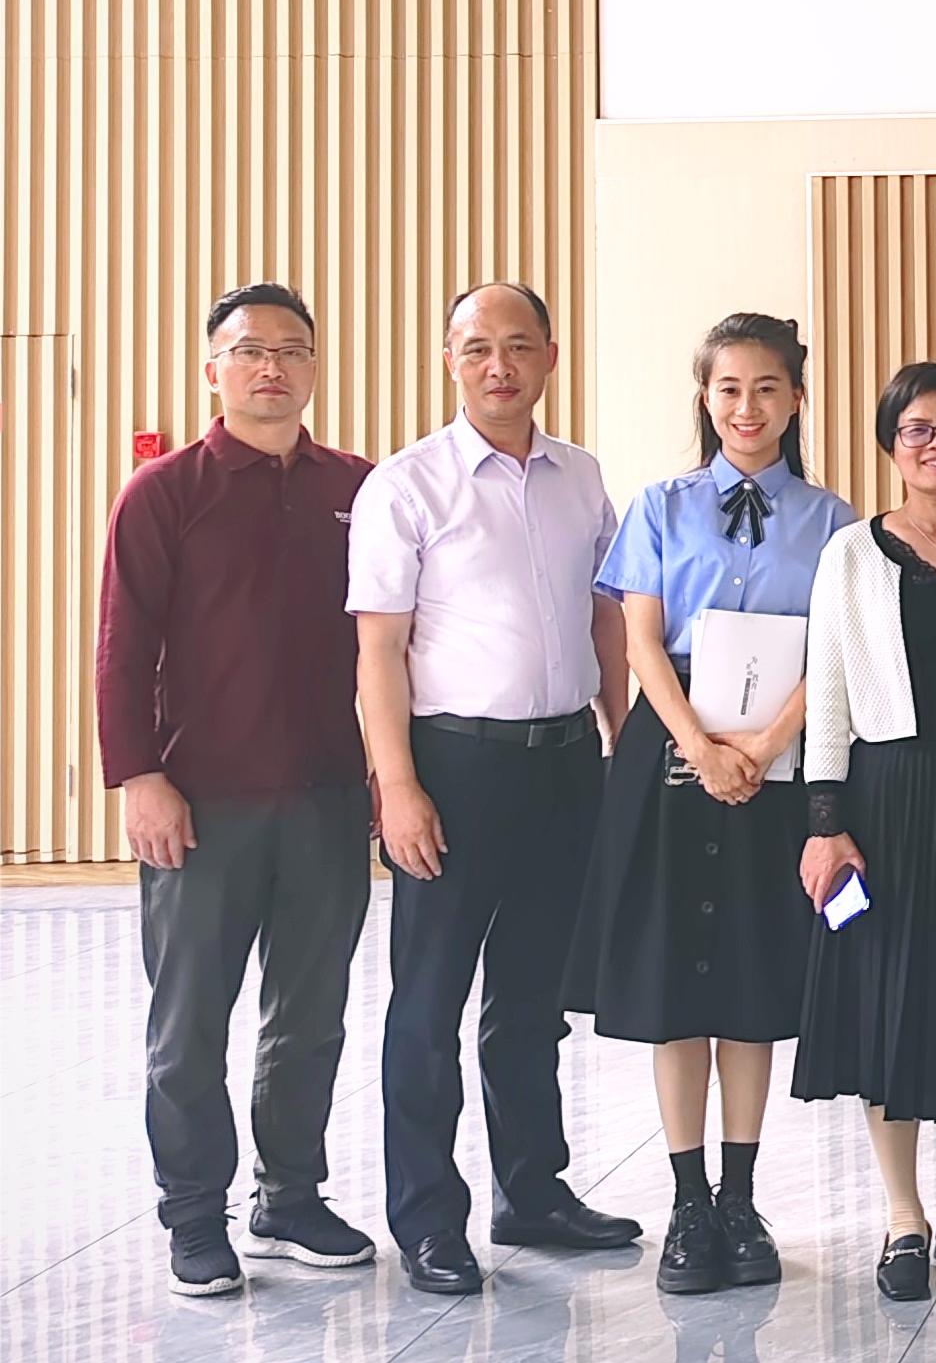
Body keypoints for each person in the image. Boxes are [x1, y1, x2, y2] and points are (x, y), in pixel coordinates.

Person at [349, 282, 638, 1296]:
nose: (499, 365)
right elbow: (378, 651)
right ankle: (429, 1216)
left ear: (551, 355)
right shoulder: (407, 485)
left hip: (563, 762)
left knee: (531, 999)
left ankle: (533, 1191)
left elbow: (605, 613)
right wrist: (396, 784)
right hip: (453, 767)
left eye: (519, 345)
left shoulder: (580, 476)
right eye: (478, 347)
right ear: (449, 359)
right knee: (428, 1001)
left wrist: (619, 735)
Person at [95, 283, 377, 1296]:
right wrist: (140, 775)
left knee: (311, 1015)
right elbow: (123, 646)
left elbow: (392, 643)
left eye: (291, 349)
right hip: (200, 802)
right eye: (250, 349)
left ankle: (288, 1197)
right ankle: (191, 1215)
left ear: (314, 367)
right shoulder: (164, 490)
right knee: (188, 1027)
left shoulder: (359, 487)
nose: (271, 367)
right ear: (212, 367)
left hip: (327, 798)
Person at [562, 313, 852, 1294]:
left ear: (797, 398)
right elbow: (641, 639)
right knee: (674, 979)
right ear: (705, 396)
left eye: (767, 387)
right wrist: (698, 745)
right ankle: (687, 1201)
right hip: (673, 747)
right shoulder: (661, 504)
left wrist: (763, 749)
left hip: (780, 749)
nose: (747, 406)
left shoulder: (832, 519)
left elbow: (832, 648)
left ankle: (740, 1196)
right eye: (729, 387)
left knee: (750, 974)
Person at [795, 360, 936, 1303]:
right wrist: (825, 824)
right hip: (884, 804)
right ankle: (902, 1215)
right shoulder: (850, 553)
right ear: (890, 444)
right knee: (884, 1003)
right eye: (917, 429)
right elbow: (827, 694)